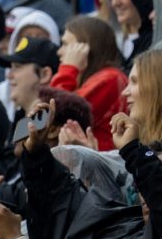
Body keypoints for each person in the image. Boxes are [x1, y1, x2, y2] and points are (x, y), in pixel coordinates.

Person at [53, 16, 128, 149]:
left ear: (85, 49)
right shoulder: (95, 78)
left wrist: (68, 69)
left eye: (65, 44)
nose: (59, 52)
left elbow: (54, 113)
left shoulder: (110, 78)